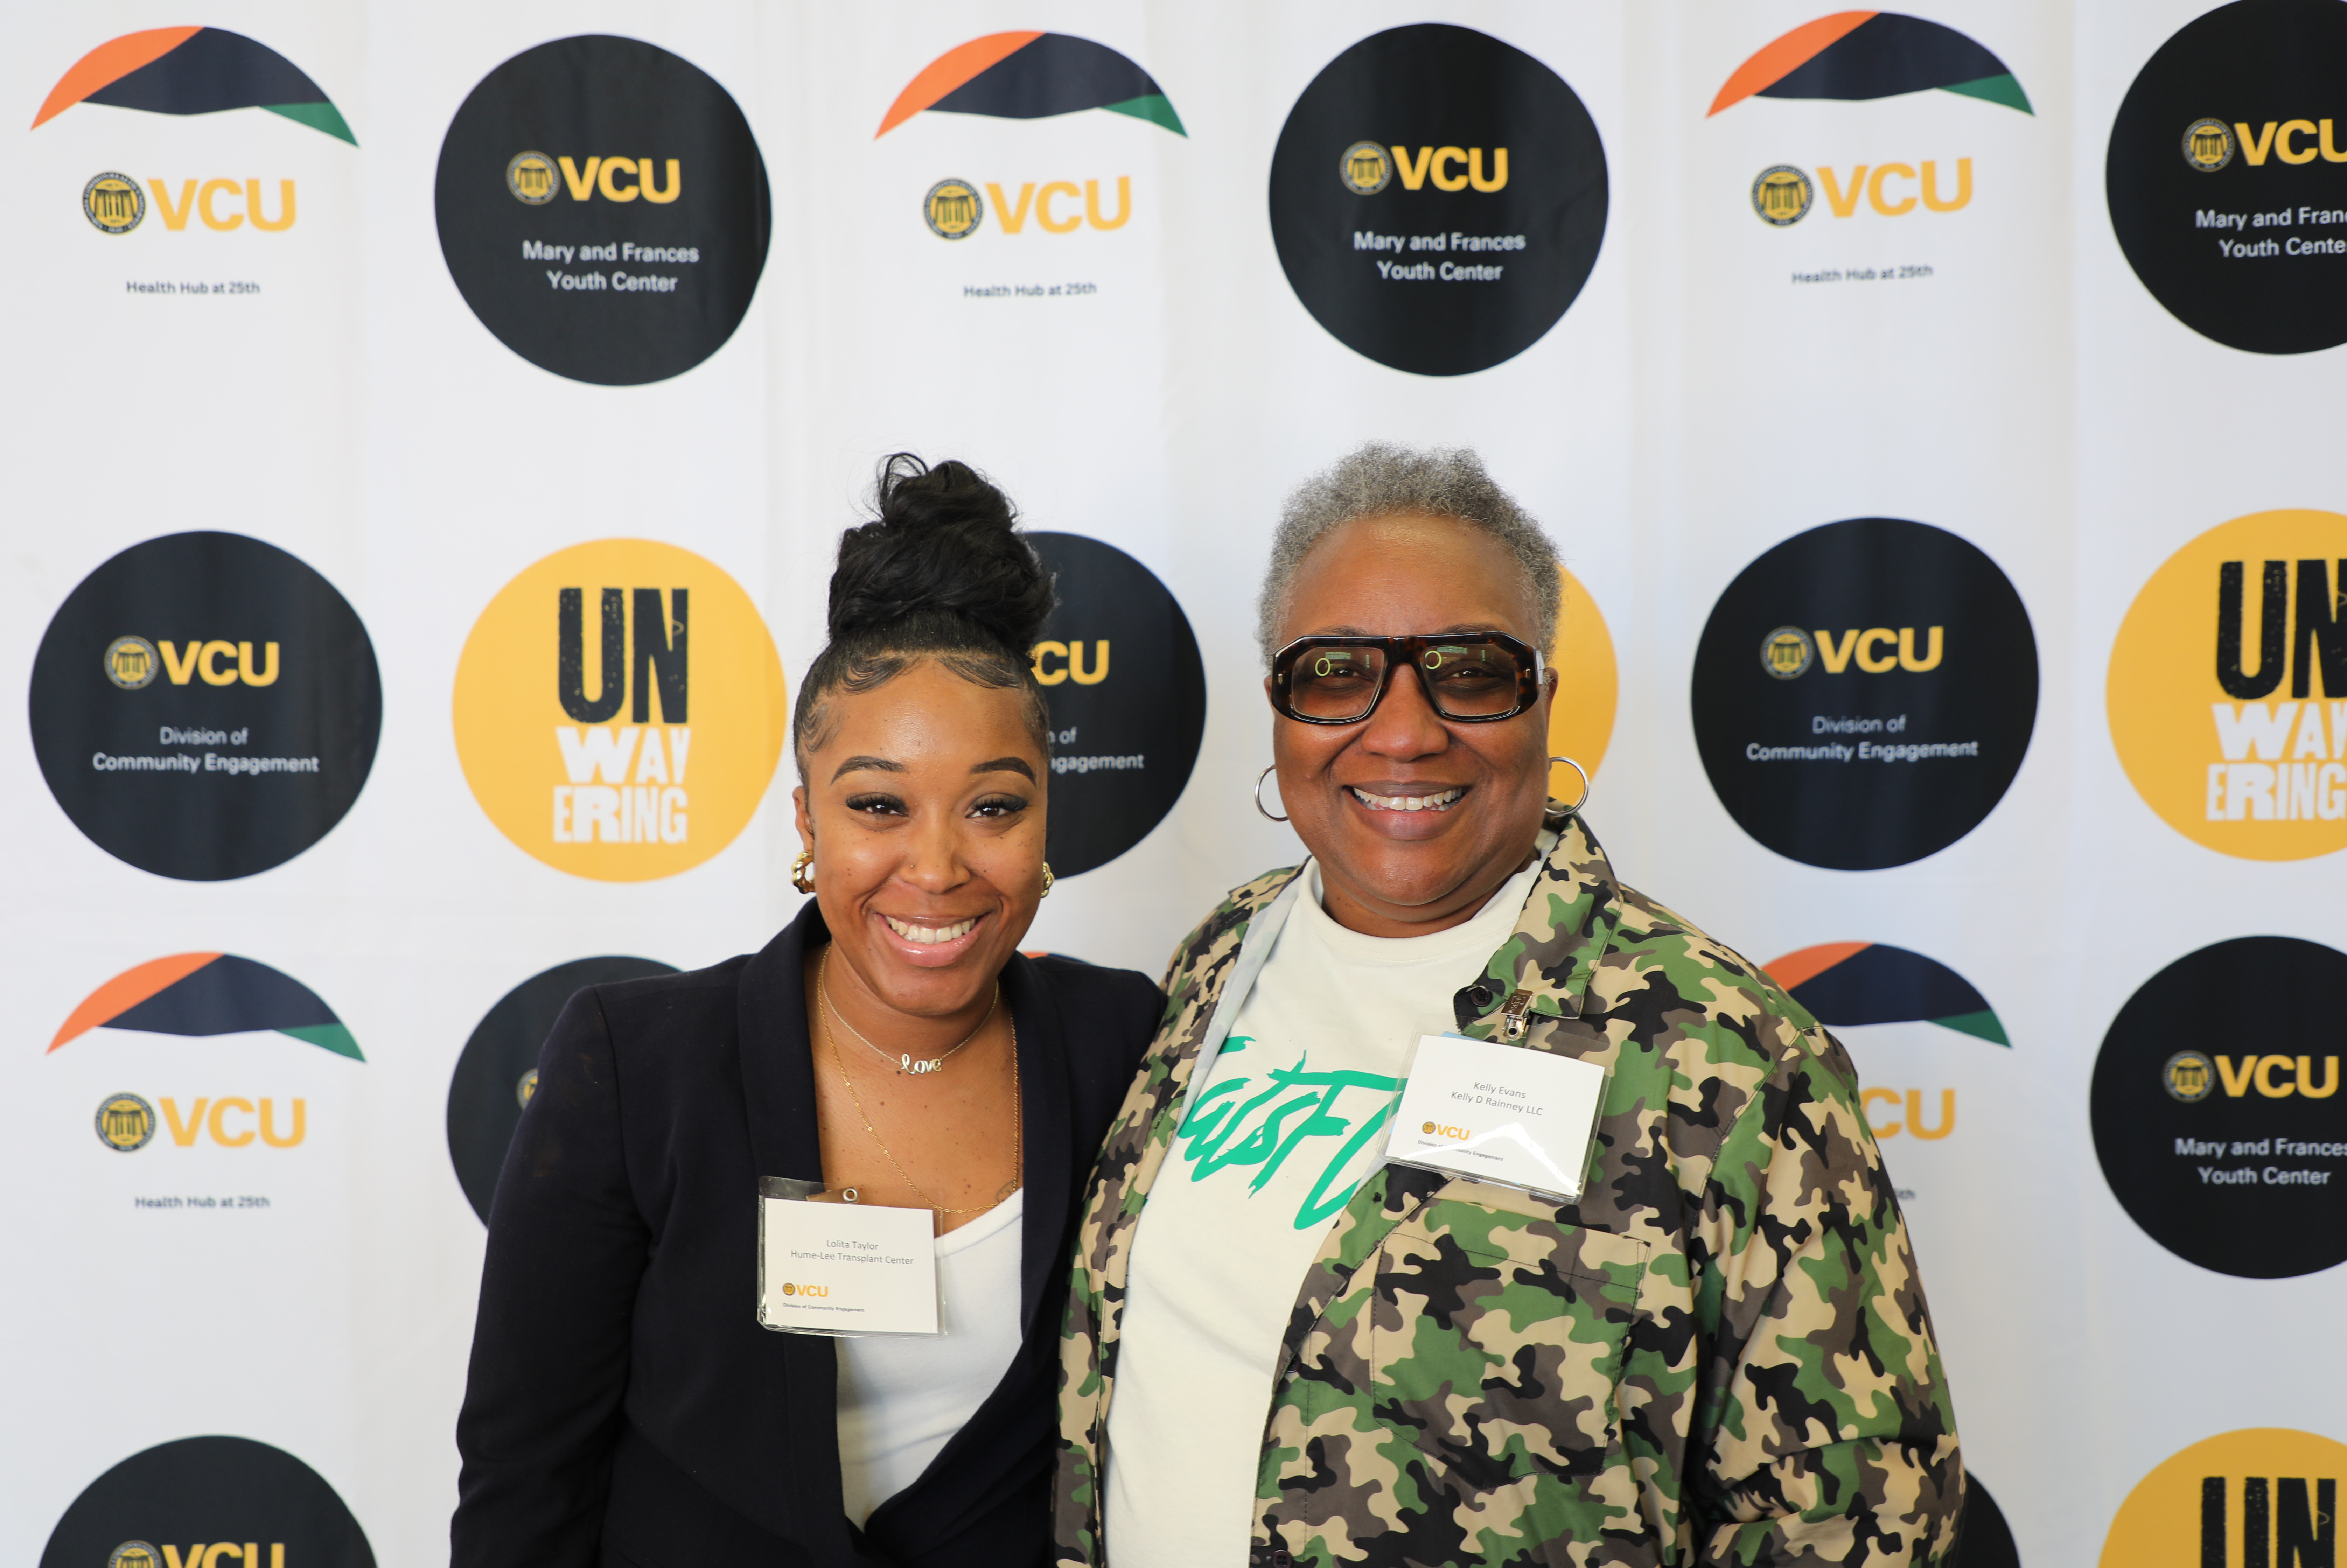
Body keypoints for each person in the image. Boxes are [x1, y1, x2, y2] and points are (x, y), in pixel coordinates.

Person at [1056, 444, 1960, 1566]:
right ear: (1280, 711)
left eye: (1470, 670)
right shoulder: (1220, 958)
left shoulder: (1727, 1055)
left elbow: (1859, 1522)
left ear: (1541, 701)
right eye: (1338, 672)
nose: (1402, 730)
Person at [454, 455, 1162, 1568]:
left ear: (1044, 821)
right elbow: (525, 1475)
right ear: (806, 821)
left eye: (993, 807)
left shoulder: (1124, 1043)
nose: (935, 868)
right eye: (878, 804)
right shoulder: (637, 1065)